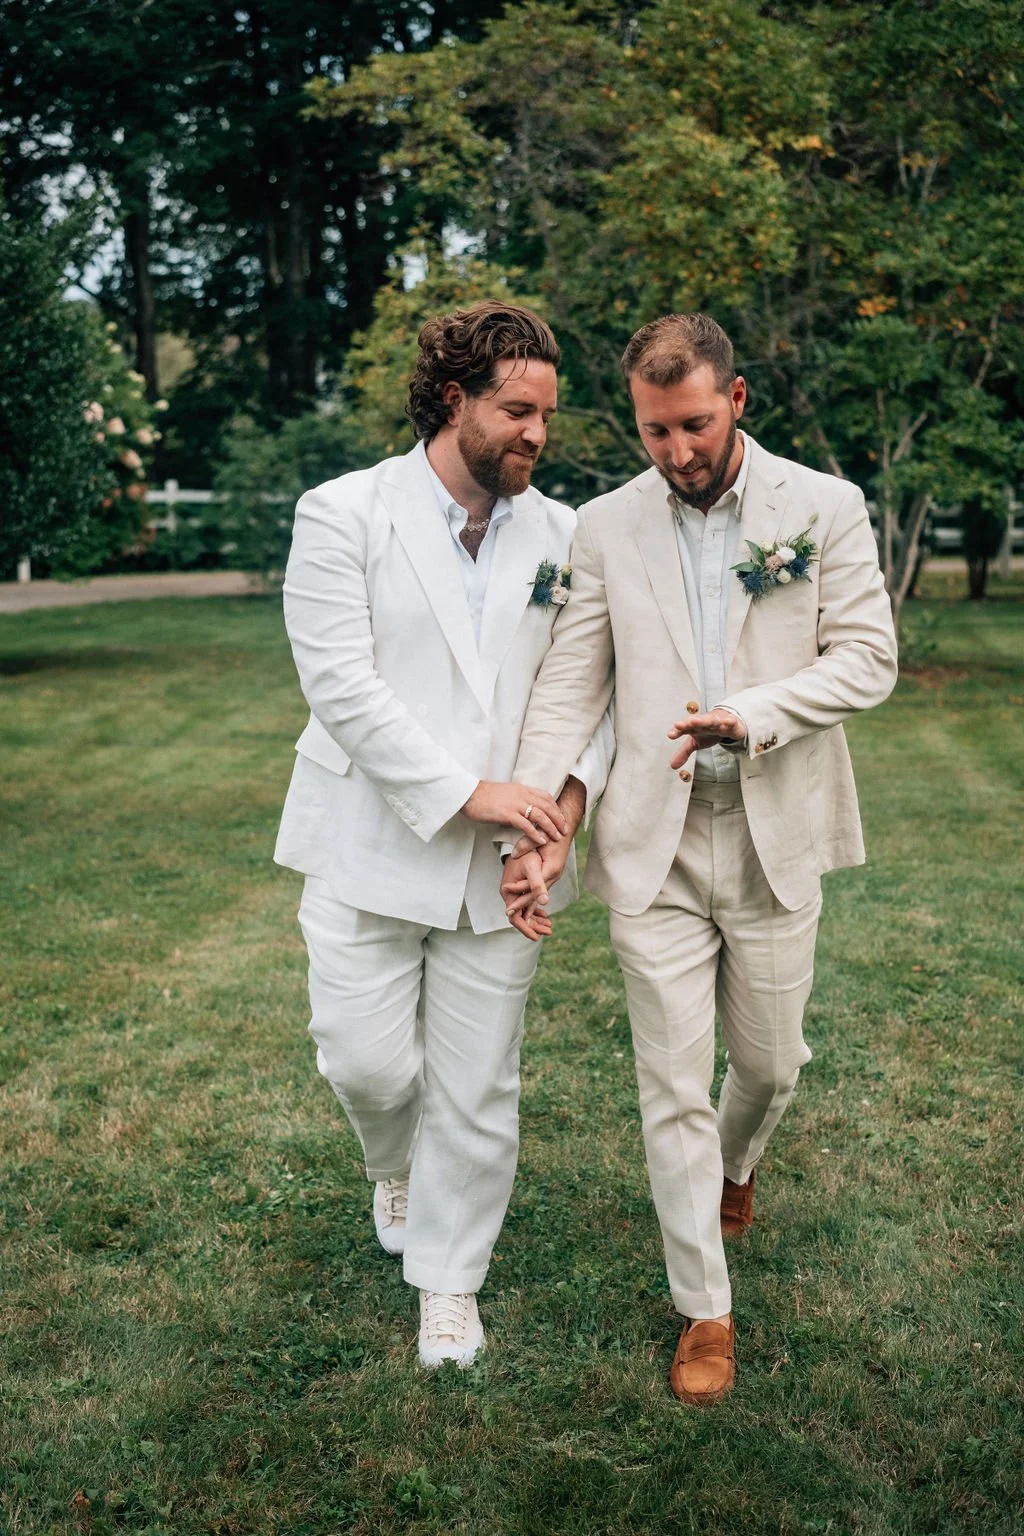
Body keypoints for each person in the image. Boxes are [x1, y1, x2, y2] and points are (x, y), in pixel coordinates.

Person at [500, 312, 897, 1404]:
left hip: (773, 833)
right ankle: (703, 1311)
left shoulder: (823, 507)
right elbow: (570, 687)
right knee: (670, 1084)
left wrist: (752, 713)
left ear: (736, 401)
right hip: (651, 846)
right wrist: (532, 826)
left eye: (692, 425)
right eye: (652, 431)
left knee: (769, 1066)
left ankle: (737, 1164)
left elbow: (868, 659)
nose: (675, 451)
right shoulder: (602, 528)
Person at [275, 300, 612, 1369]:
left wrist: (560, 811)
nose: (535, 435)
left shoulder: (565, 535)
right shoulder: (341, 512)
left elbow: (593, 691)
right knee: (368, 1065)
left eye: (546, 416)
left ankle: (449, 1286)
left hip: (505, 870)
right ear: (453, 399)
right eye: (517, 411)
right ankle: (393, 1163)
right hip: (370, 837)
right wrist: (468, 790)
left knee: (477, 1084)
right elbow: (339, 683)